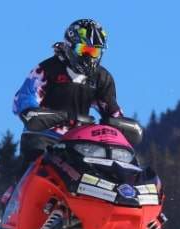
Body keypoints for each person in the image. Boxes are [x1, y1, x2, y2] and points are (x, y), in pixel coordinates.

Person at [11, 19, 123, 170]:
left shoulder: (101, 78)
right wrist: (38, 113)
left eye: (94, 51)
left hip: (81, 141)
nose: (89, 57)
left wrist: (122, 128)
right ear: (70, 46)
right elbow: (22, 100)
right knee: (37, 163)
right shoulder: (47, 70)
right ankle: (22, 190)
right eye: (84, 50)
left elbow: (113, 113)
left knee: (111, 166)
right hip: (45, 136)